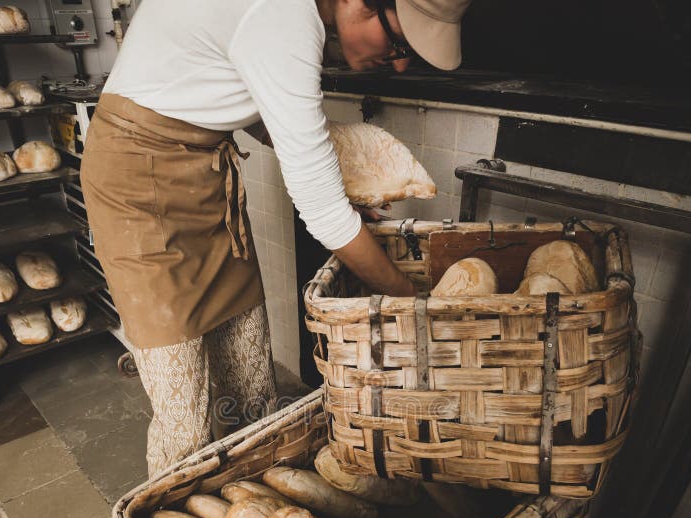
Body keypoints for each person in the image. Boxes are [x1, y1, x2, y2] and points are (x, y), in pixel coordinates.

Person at [80, 0, 471, 478]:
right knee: (186, 416)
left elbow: (240, 98)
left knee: (249, 379)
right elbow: (325, 219)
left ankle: (252, 492)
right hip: (136, 186)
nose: (401, 63)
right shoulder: (284, 16)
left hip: (203, 180)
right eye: (398, 45)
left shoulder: (286, 16)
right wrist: (413, 303)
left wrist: (338, 181)